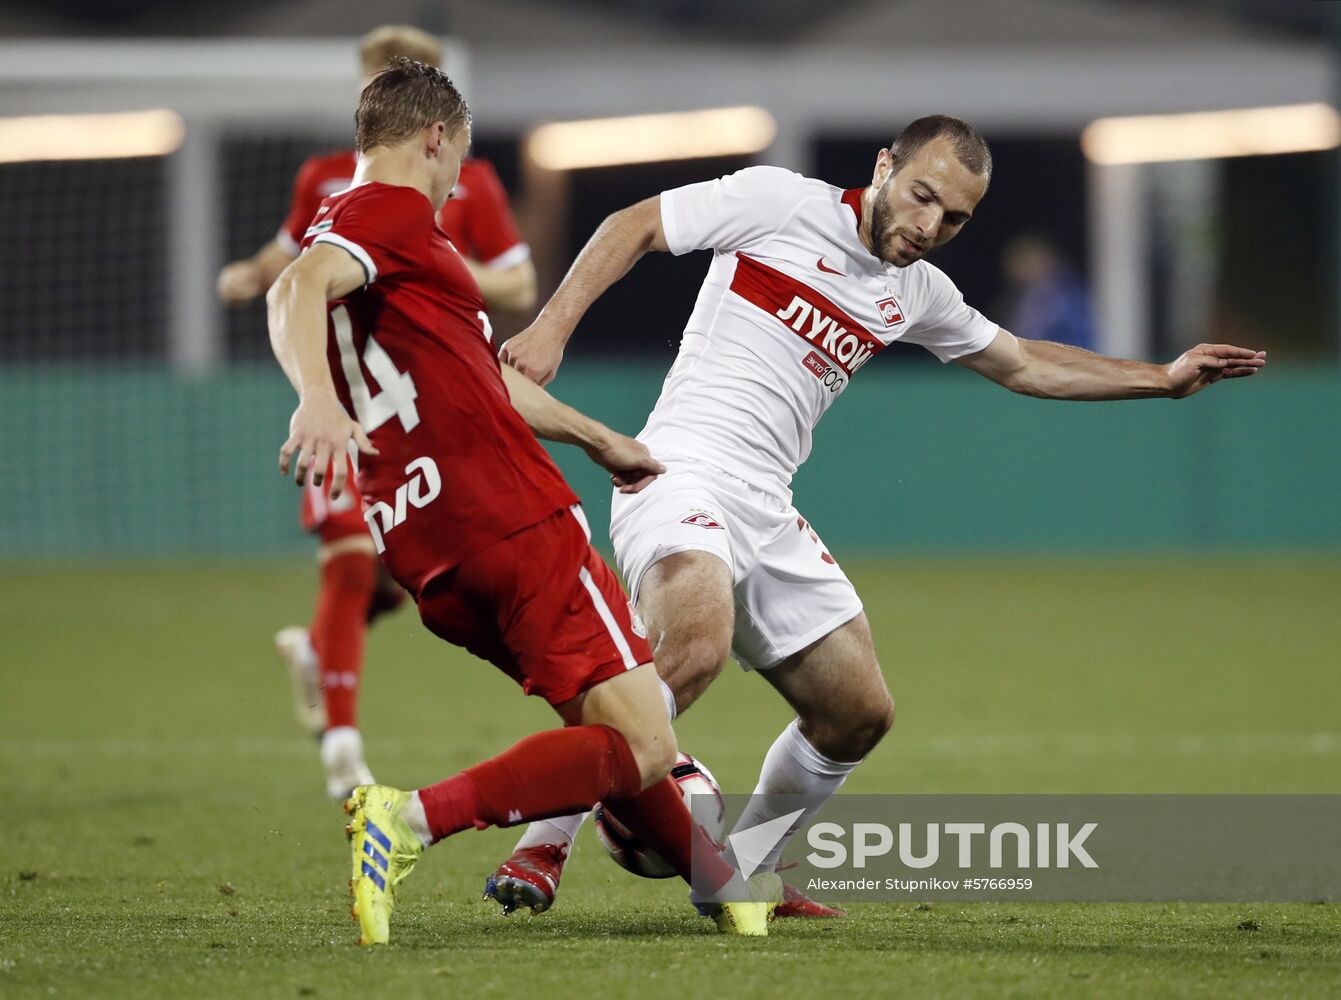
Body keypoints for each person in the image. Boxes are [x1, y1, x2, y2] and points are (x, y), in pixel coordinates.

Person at [493, 115, 1267, 916]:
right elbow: (637, 223)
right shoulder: (777, 203)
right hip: (679, 470)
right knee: (692, 649)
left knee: (856, 713)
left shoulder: (916, 292)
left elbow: (1026, 361)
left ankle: (741, 874)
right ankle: (540, 843)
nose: (930, 225)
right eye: (923, 196)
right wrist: (551, 327)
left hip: (766, 503)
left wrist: (1162, 378)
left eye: (955, 217)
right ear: (884, 166)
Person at [266, 59, 779, 945]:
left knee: (611, 734)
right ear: (434, 138)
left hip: (429, 551)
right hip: (511, 517)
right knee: (649, 742)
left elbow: (485, 379)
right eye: (458, 155)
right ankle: (410, 818)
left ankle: (730, 892)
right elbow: (296, 285)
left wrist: (597, 437)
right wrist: (314, 395)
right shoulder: (386, 212)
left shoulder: (374, 242)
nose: (459, 176)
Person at [217, 25, 538, 798]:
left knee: (406, 577)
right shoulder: (330, 180)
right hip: (342, 405)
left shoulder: (466, 182)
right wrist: (252, 273)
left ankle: (324, 647)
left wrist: (429, 258)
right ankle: (343, 752)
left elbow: (519, 285)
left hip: (432, 414)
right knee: (349, 559)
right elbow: (293, 263)